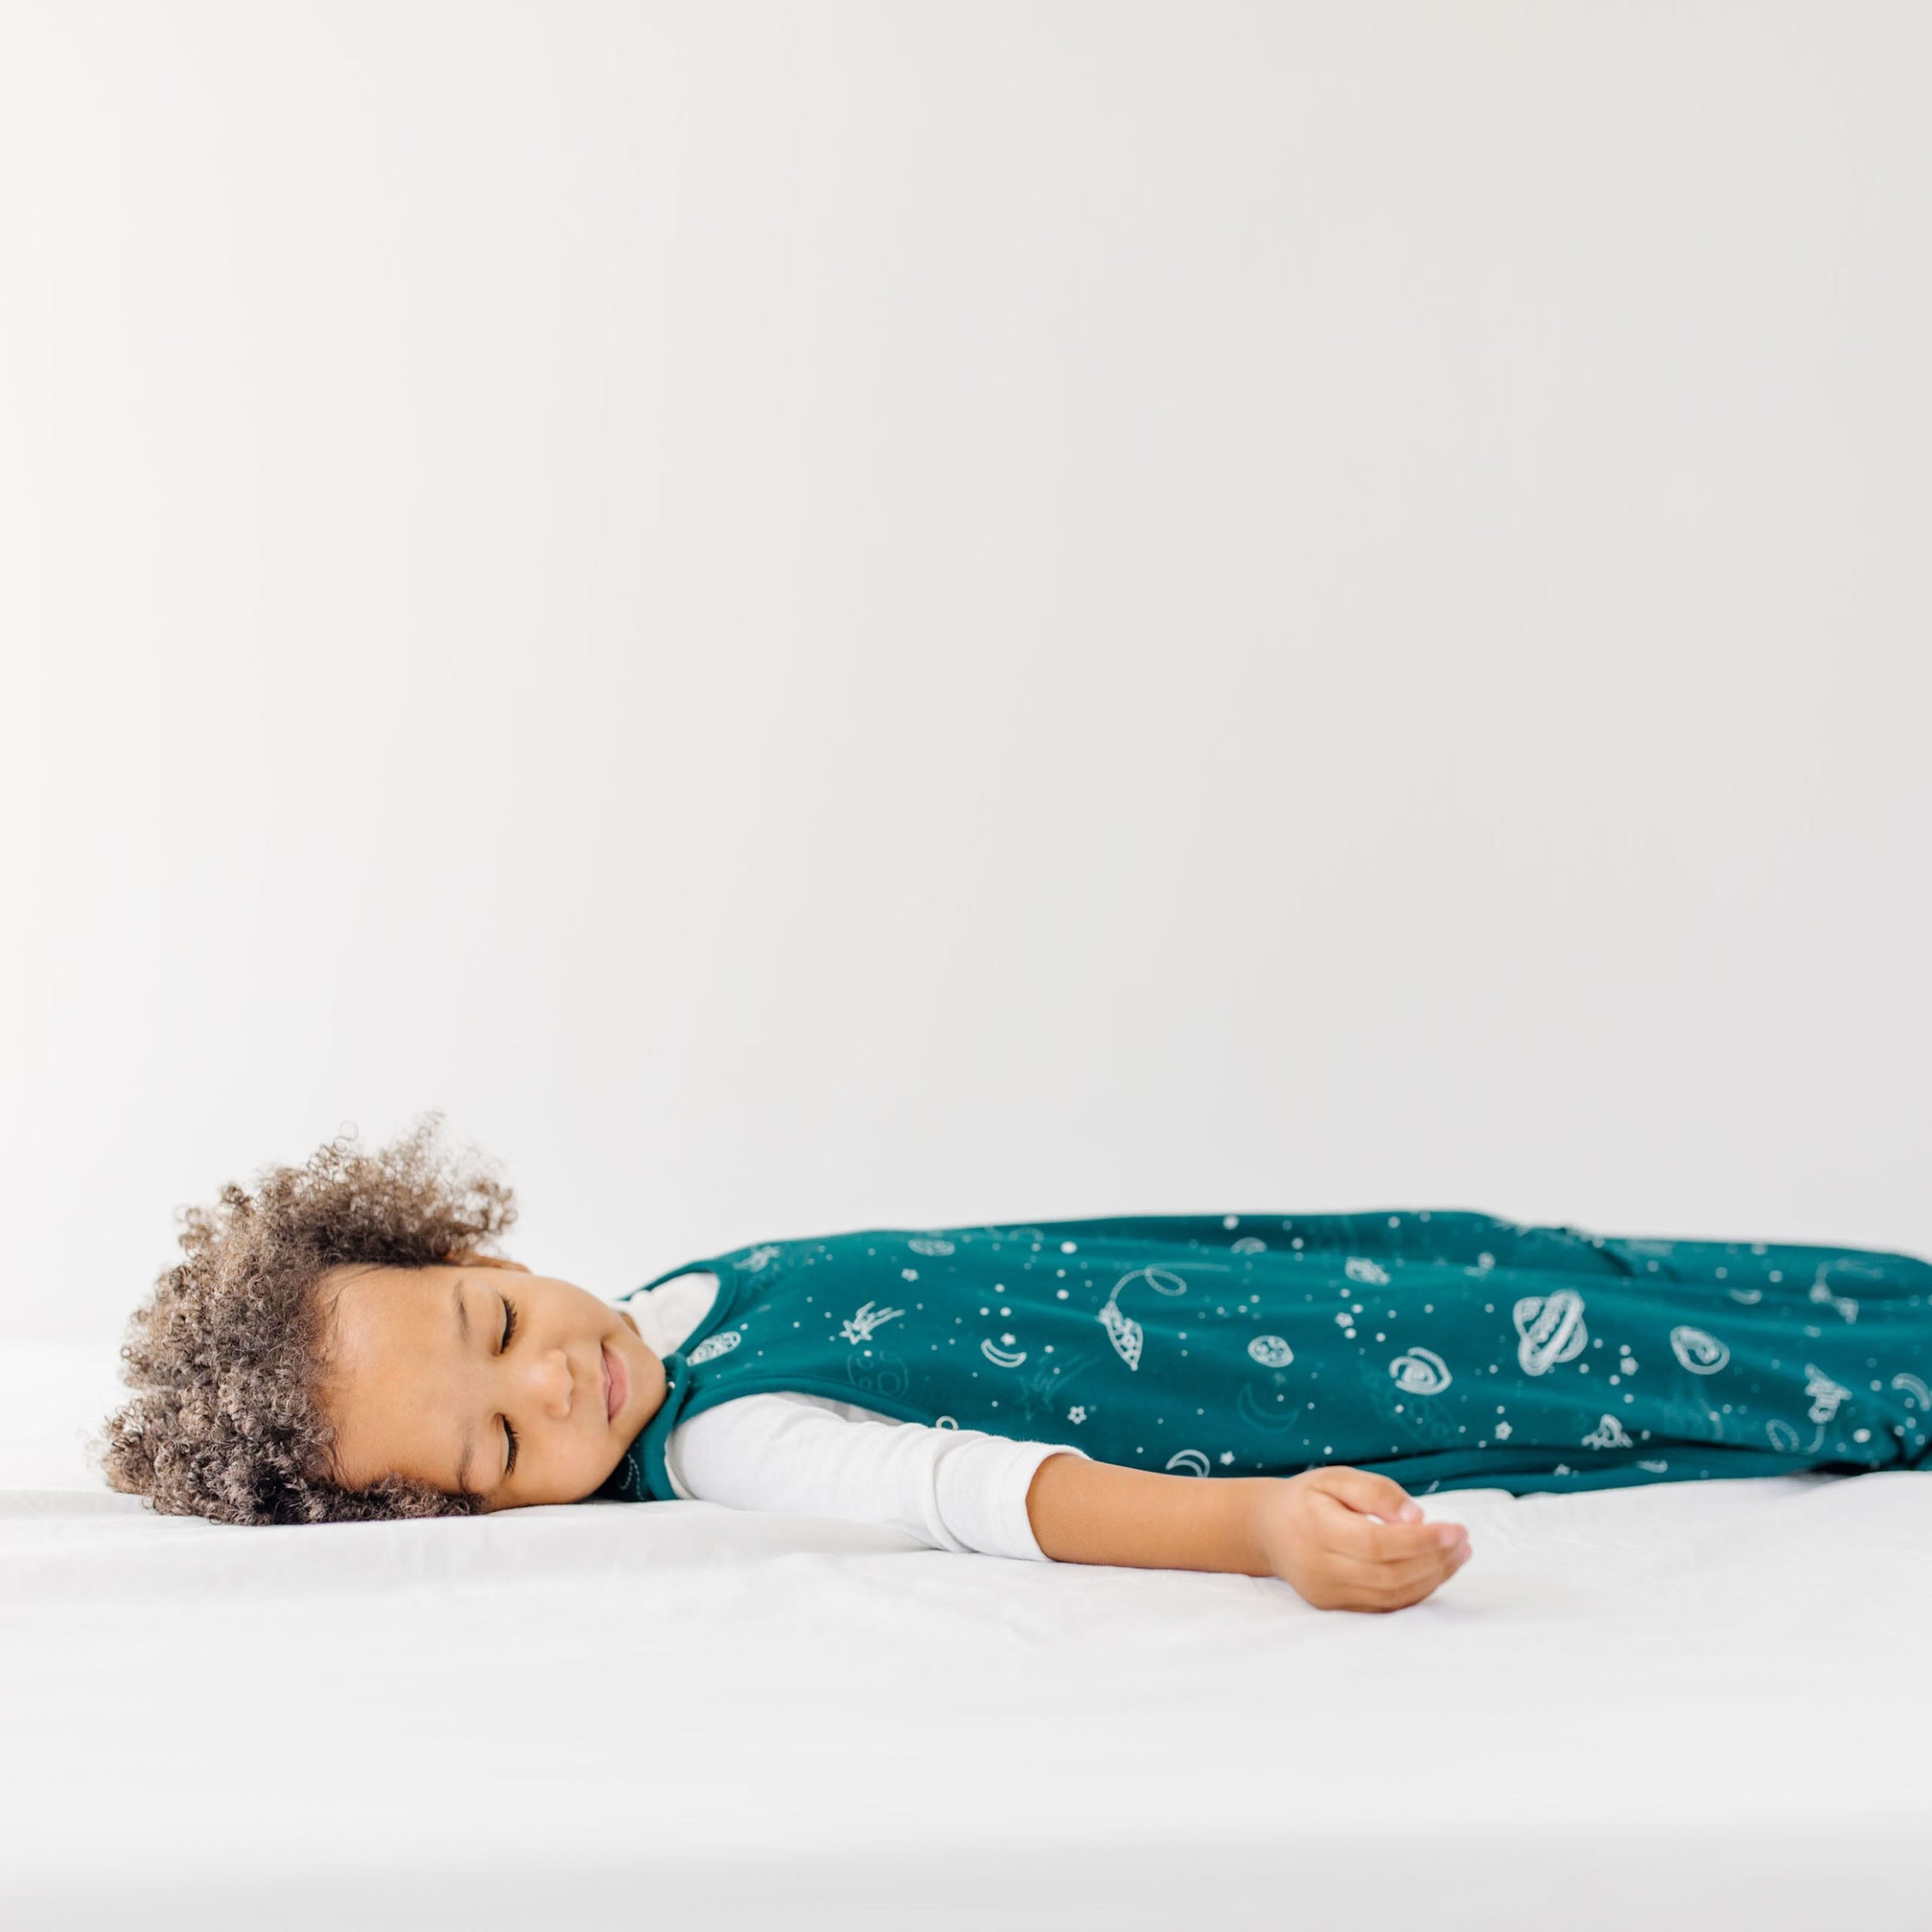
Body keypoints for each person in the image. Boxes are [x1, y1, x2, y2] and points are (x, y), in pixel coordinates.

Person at [97, 1115, 1932, 1615]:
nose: (553, 1385)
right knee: (1635, 1364)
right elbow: (983, 1493)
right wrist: (1255, 1530)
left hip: (1239, 1286)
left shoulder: (660, 1300)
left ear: (478, 1255)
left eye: (499, 1328)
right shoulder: (730, 1443)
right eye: (499, 1447)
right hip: (1284, 1393)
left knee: (1567, 1270)